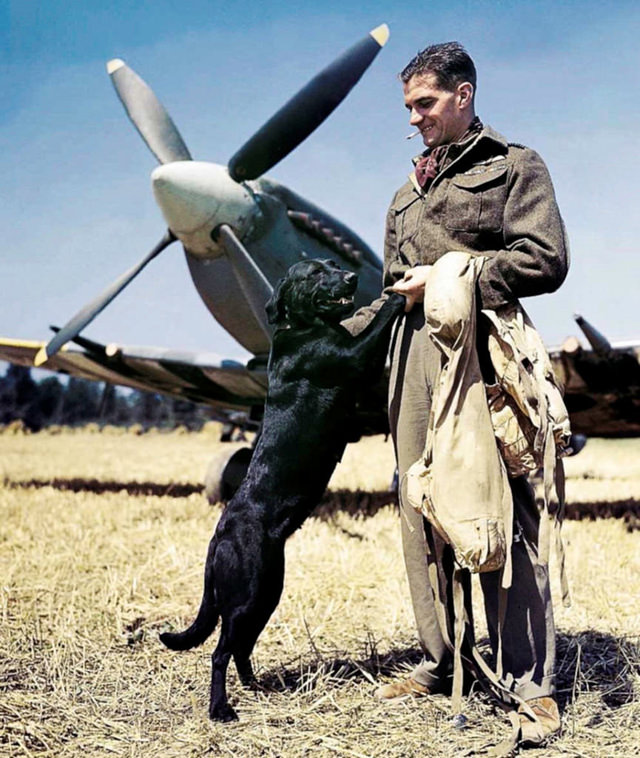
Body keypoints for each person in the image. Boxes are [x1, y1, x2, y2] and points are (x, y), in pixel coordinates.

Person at [344, 42, 568, 745]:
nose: (414, 119)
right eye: (408, 107)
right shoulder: (403, 193)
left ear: (463, 95)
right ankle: (441, 659)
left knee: (507, 507)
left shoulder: (513, 165)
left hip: (487, 351)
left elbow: (545, 258)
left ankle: (529, 684)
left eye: (425, 104)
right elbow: (389, 284)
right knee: (421, 503)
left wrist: (450, 273)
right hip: (411, 356)